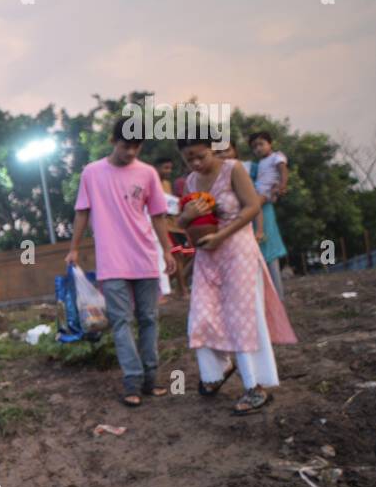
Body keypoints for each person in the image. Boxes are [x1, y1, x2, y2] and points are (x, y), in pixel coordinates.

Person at [175, 133, 296, 414]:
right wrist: (188, 214)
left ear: (212, 151)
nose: (195, 162)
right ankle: (218, 370)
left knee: (242, 317)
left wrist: (222, 235)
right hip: (207, 255)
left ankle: (255, 387)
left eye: (200, 156)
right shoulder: (191, 182)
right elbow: (181, 222)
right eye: (188, 158)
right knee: (201, 316)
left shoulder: (234, 169)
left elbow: (253, 206)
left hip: (237, 249)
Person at [65, 115, 177, 406]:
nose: (130, 152)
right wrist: (74, 248)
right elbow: (82, 212)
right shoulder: (92, 172)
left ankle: (152, 379)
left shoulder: (148, 173)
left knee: (149, 319)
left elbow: (158, 216)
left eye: (136, 147)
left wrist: (167, 250)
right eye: (126, 146)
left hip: (145, 256)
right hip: (112, 260)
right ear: (113, 141)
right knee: (120, 321)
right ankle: (132, 382)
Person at [249, 130, 289, 298]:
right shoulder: (260, 163)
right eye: (254, 146)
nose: (258, 148)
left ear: (270, 143)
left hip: (266, 191)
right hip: (260, 190)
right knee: (253, 206)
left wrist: (281, 186)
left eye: (261, 144)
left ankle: (259, 231)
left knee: (253, 208)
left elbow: (283, 171)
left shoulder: (277, 157)